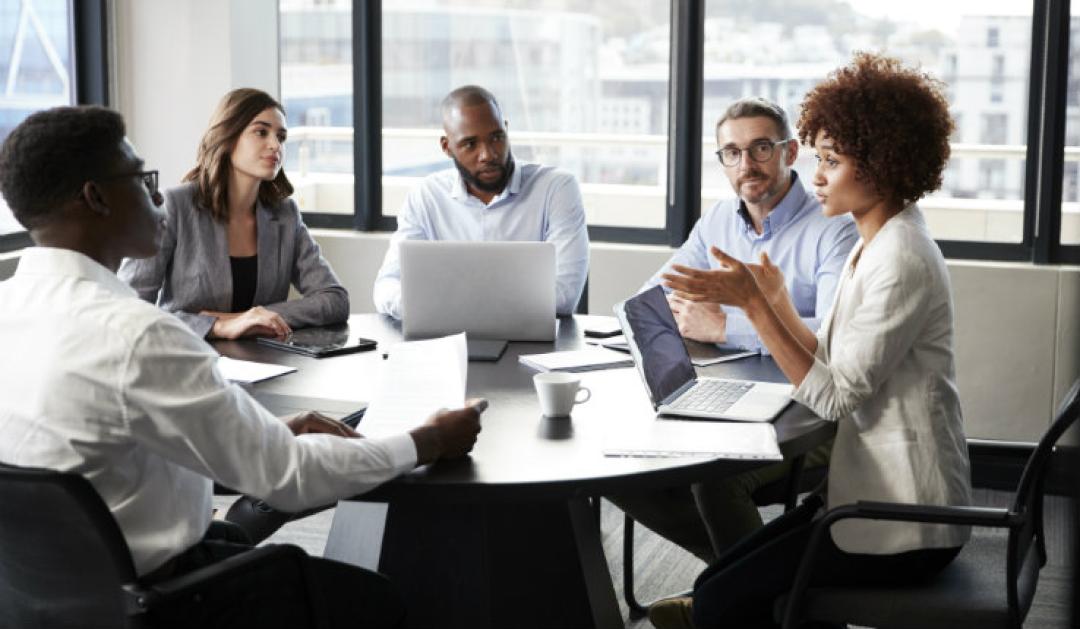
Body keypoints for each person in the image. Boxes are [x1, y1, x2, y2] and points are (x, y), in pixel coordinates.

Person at [0, 105, 485, 628]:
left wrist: (262, 430)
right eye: (142, 180)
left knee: (236, 535)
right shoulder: (139, 333)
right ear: (95, 197)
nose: (158, 196)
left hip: (54, 596)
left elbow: (105, 441)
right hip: (170, 598)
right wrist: (428, 440)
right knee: (379, 601)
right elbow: (289, 477)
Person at [651, 52, 973, 629]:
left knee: (726, 598)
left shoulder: (899, 258)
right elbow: (829, 347)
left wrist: (754, 305)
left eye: (831, 160)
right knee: (718, 584)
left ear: (883, 164)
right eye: (818, 158)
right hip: (865, 495)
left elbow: (832, 397)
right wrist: (775, 303)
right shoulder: (874, 241)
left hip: (903, 519)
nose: (817, 176)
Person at [609, 97, 857, 565]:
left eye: (761, 148)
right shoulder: (719, 219)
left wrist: (726, 326)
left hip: (815, 416)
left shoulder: (834, 229)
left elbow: (830, 336)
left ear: (789, 151)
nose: (747, 164)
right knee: (620, 468)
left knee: (718, 479)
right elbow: (655, 296)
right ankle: (744, 579)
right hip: (732, 395)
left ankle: (745, 587)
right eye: (732, 152)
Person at [119, 88, 348, 340]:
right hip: (189, 361)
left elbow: (334, 299)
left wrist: (253, 317)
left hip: (268, 365)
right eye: (261, 132)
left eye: (281, 137)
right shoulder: (174, 205)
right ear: (228, 137)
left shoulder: (285, 214)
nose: (275, 145)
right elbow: (129, 311)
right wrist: (216, 325)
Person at [372, 85, 589, 318]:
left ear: (506, 130)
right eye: (470, 144)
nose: (487, 154)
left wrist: (445, 306)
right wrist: (435, 308)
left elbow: (564, 295)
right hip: (448, 341)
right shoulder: (426, 196)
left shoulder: (556, 189)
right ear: (447, 147)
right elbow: (387, 286)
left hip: (533, 347)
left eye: (496, 138)